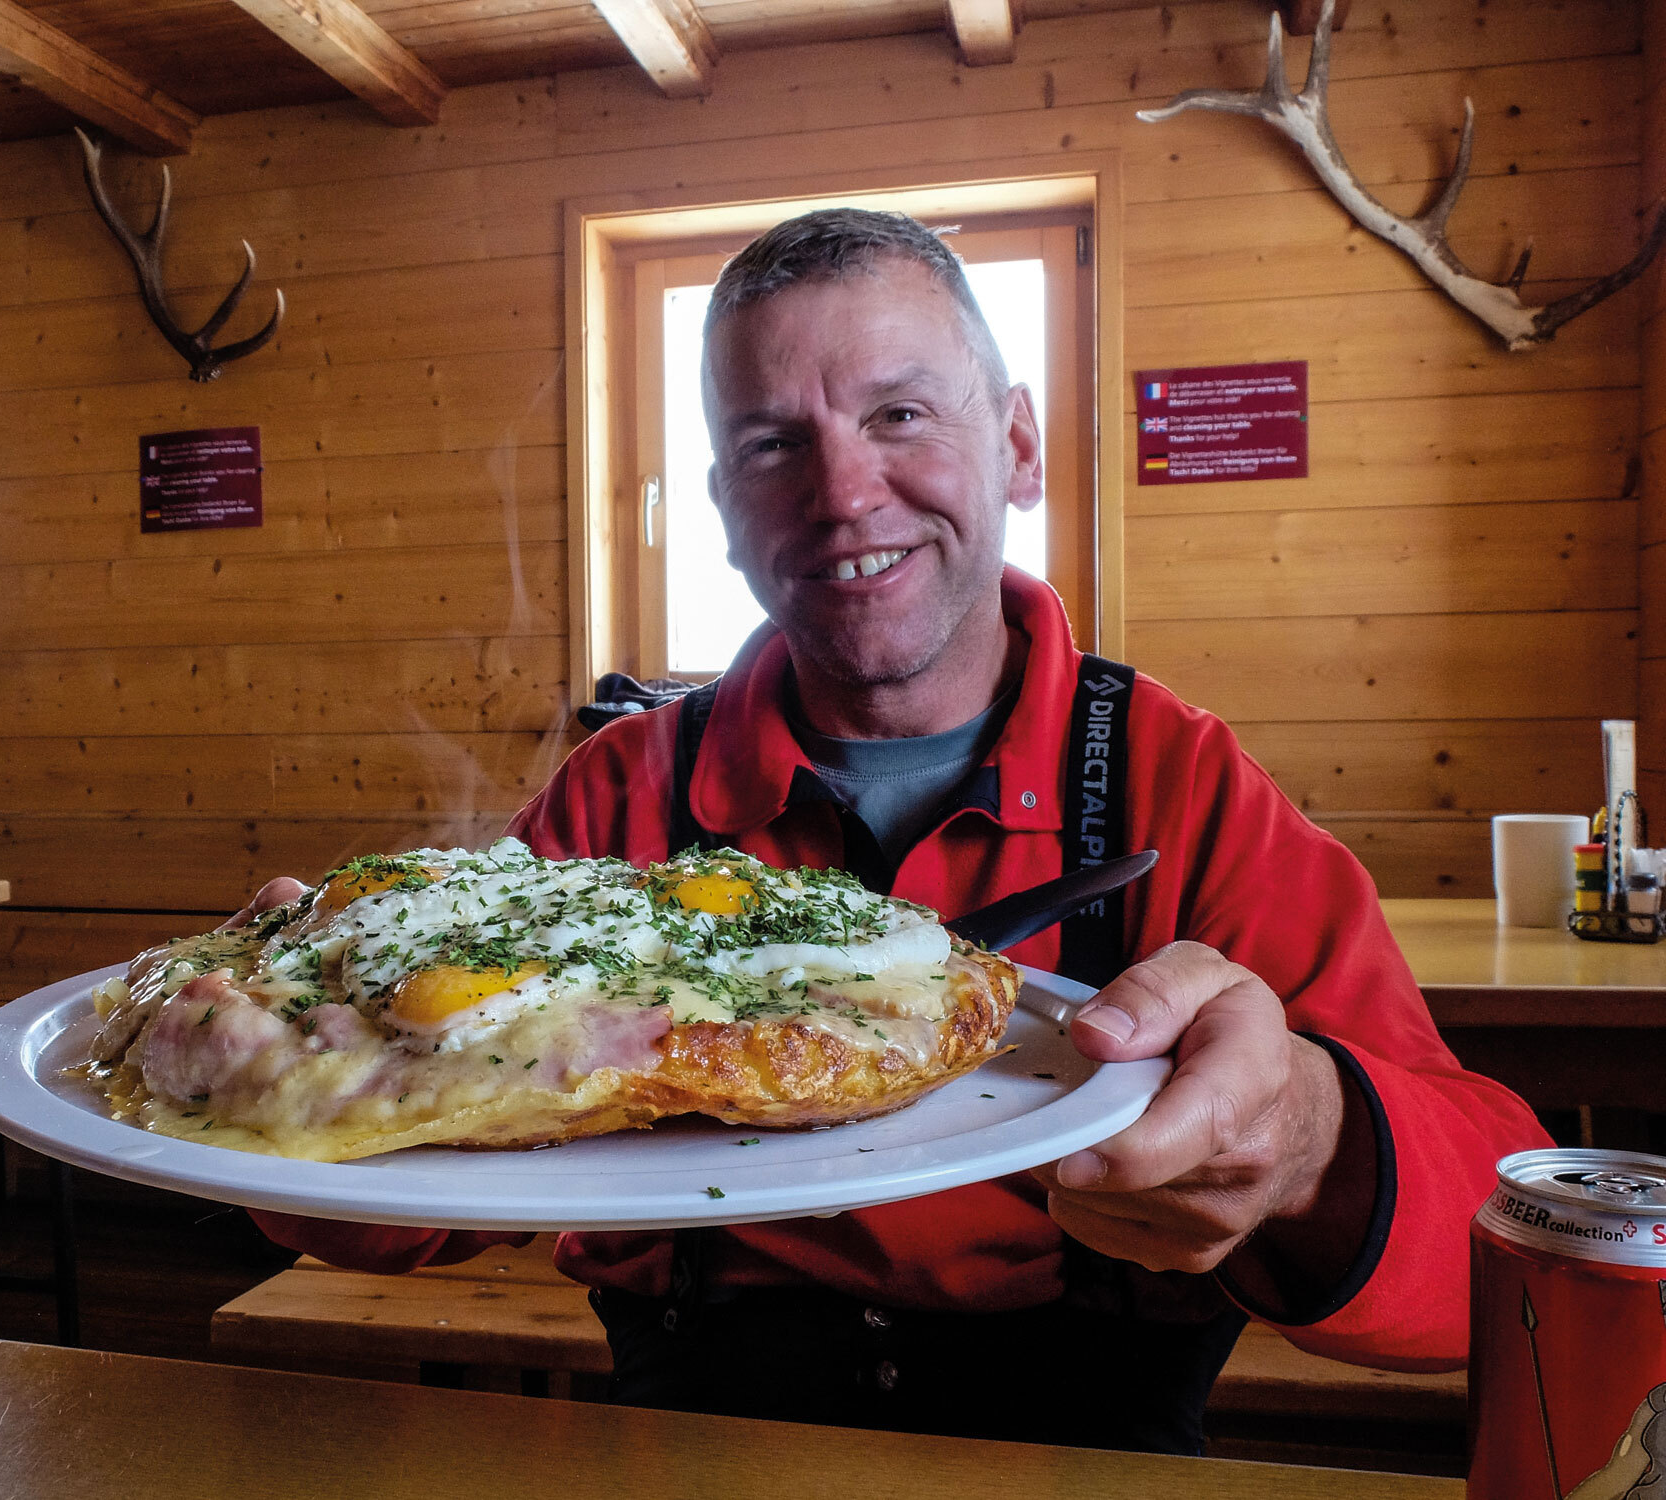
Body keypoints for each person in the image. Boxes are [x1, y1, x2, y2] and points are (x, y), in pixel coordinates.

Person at [248, 208, 1548, 1452]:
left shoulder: (1173, 780)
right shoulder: (624, 794)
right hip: (689, 1432)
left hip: (1083, 1446)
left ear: (1021, 447)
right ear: (723, 505)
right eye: (772, 446)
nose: (842, 490)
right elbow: (383, 1224)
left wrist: (1311, 1139)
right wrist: (283, 1063)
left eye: (901, 414)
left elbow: (1505, 1247)